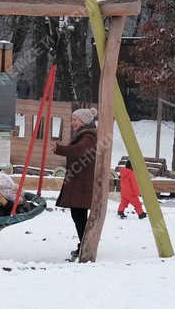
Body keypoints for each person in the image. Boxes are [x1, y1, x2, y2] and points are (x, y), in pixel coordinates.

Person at [51, 108, 98, 262]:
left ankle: (85, 246)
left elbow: (78, 151)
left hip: (82, 183)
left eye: (75, 120)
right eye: (72, 120)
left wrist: (59, 149)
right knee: (79, 215)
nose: (73, 123)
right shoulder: (85, 135)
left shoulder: (89, 137)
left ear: (83, 121)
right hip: (79, 181)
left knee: (79, 216)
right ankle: (84, 244)